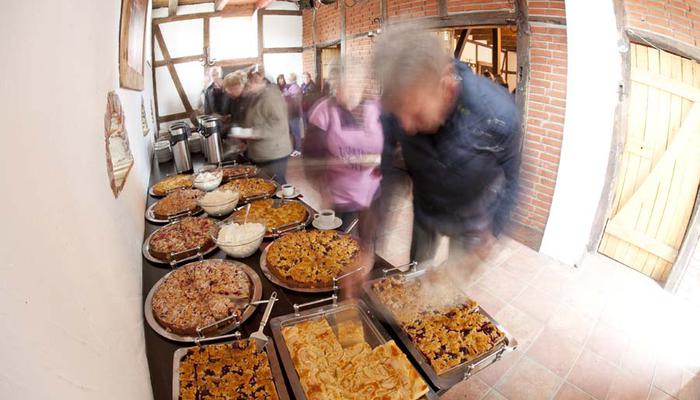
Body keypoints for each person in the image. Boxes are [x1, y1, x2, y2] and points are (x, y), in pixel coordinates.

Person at [373, 29, 521, 267]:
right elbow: (388, 171)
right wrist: (370, 243)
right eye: (400, 116)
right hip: (425, 211)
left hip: (470, 221)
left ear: (447, 84)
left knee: (450, 292)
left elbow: (514, 179)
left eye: (417, 113)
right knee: (416, 274)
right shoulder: (399, 105)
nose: (407, 128)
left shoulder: (498, 115)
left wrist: (493, 230)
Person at [303, 61, 383, 249]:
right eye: (337, 86)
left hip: (371, 194)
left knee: (367, 246)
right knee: (334, 247)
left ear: (361, 84)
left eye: (350, 85)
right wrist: (323, 189)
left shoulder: (377, 110)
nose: (342, 92)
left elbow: (392, 148)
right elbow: (311, 158)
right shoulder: (324, 111)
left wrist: (380, 161)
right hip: (337, 196)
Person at [242, 74, 293, 184]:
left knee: (276, 184)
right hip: (262, 152)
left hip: (274, 152)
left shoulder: (271, 96)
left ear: (258, 81)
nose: (247, 87)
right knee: (265, 184)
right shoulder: (256, 96)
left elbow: (278, 124)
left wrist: (253, 133)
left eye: (249, 84)